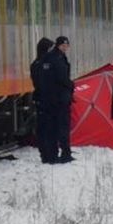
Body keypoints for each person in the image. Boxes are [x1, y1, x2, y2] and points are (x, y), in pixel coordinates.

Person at [41, 35, 75, 163]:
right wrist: (71, 85)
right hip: (60, 98)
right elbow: (62, 78)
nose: (65, 47)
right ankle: (65, 154)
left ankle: (52, 155)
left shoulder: (50, 58)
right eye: (64, 45)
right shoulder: (58, 58)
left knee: (52, 127)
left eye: (67, 45)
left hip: (51, 98)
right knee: (62, 127)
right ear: (58, 45)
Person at [30, 37, 54, 163]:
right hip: (47, 99)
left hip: (40, 99)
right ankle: (48, 154)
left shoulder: (35, 64)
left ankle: (46, 153)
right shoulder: (45, 65)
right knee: (48, 128)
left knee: (43, 127)